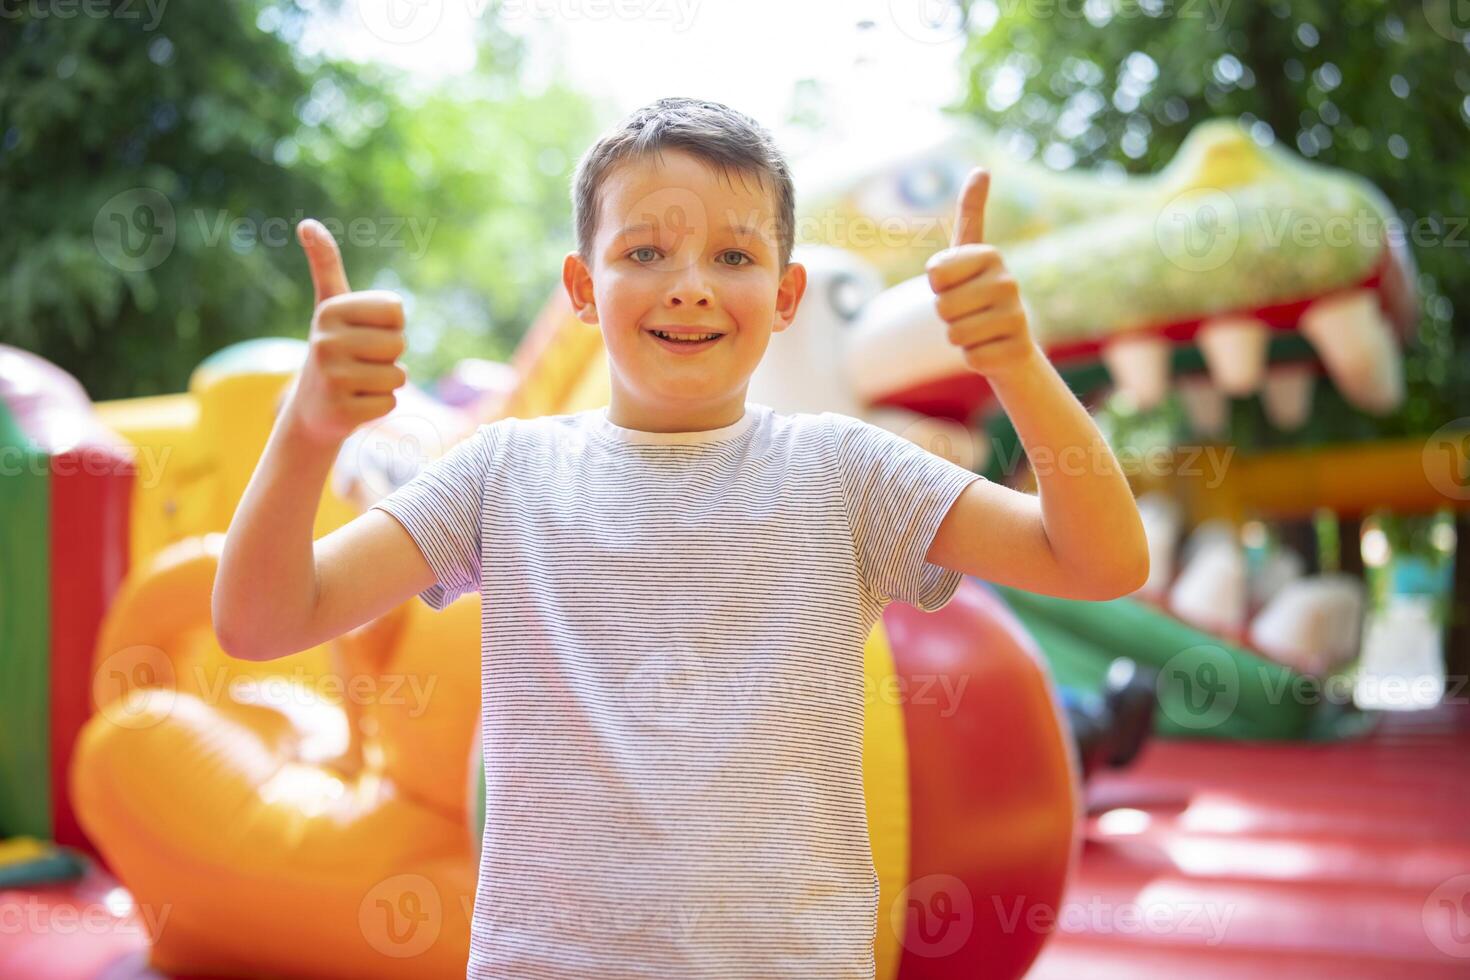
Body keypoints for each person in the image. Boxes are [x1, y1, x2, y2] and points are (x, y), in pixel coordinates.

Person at [212, 96, 1148, 979]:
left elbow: (1102, 560)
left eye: (735, 259)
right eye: (646, 252)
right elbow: (261, 622)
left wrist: (1015, 366)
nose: (691, 287)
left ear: (786, 295)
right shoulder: (500, 473)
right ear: (584, 286)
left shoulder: (848, 471)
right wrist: (307, 430)